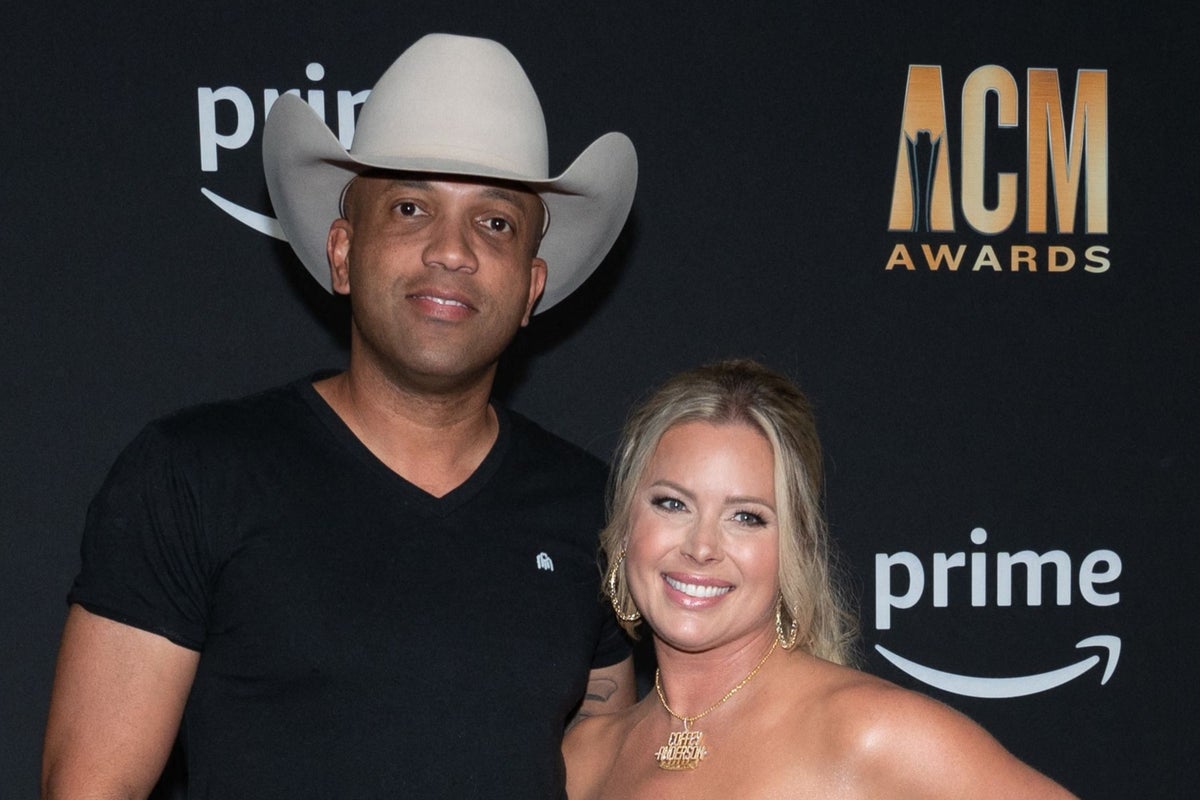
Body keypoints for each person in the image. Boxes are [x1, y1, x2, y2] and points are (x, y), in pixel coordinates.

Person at [43, 33, 638, 799]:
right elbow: (93, 786)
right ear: (343, 252)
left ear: (530, 286)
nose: (451, 251)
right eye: (411, 208)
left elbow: (606, 772)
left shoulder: (594, 510)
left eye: (495, 223)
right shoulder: (194, 475)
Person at [563, 359, 1077, 799]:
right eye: (673, 504)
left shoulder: (867, 733)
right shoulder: (587, 758)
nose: (701, 547)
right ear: (625, 526)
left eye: (746, 517)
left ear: (796, 548)